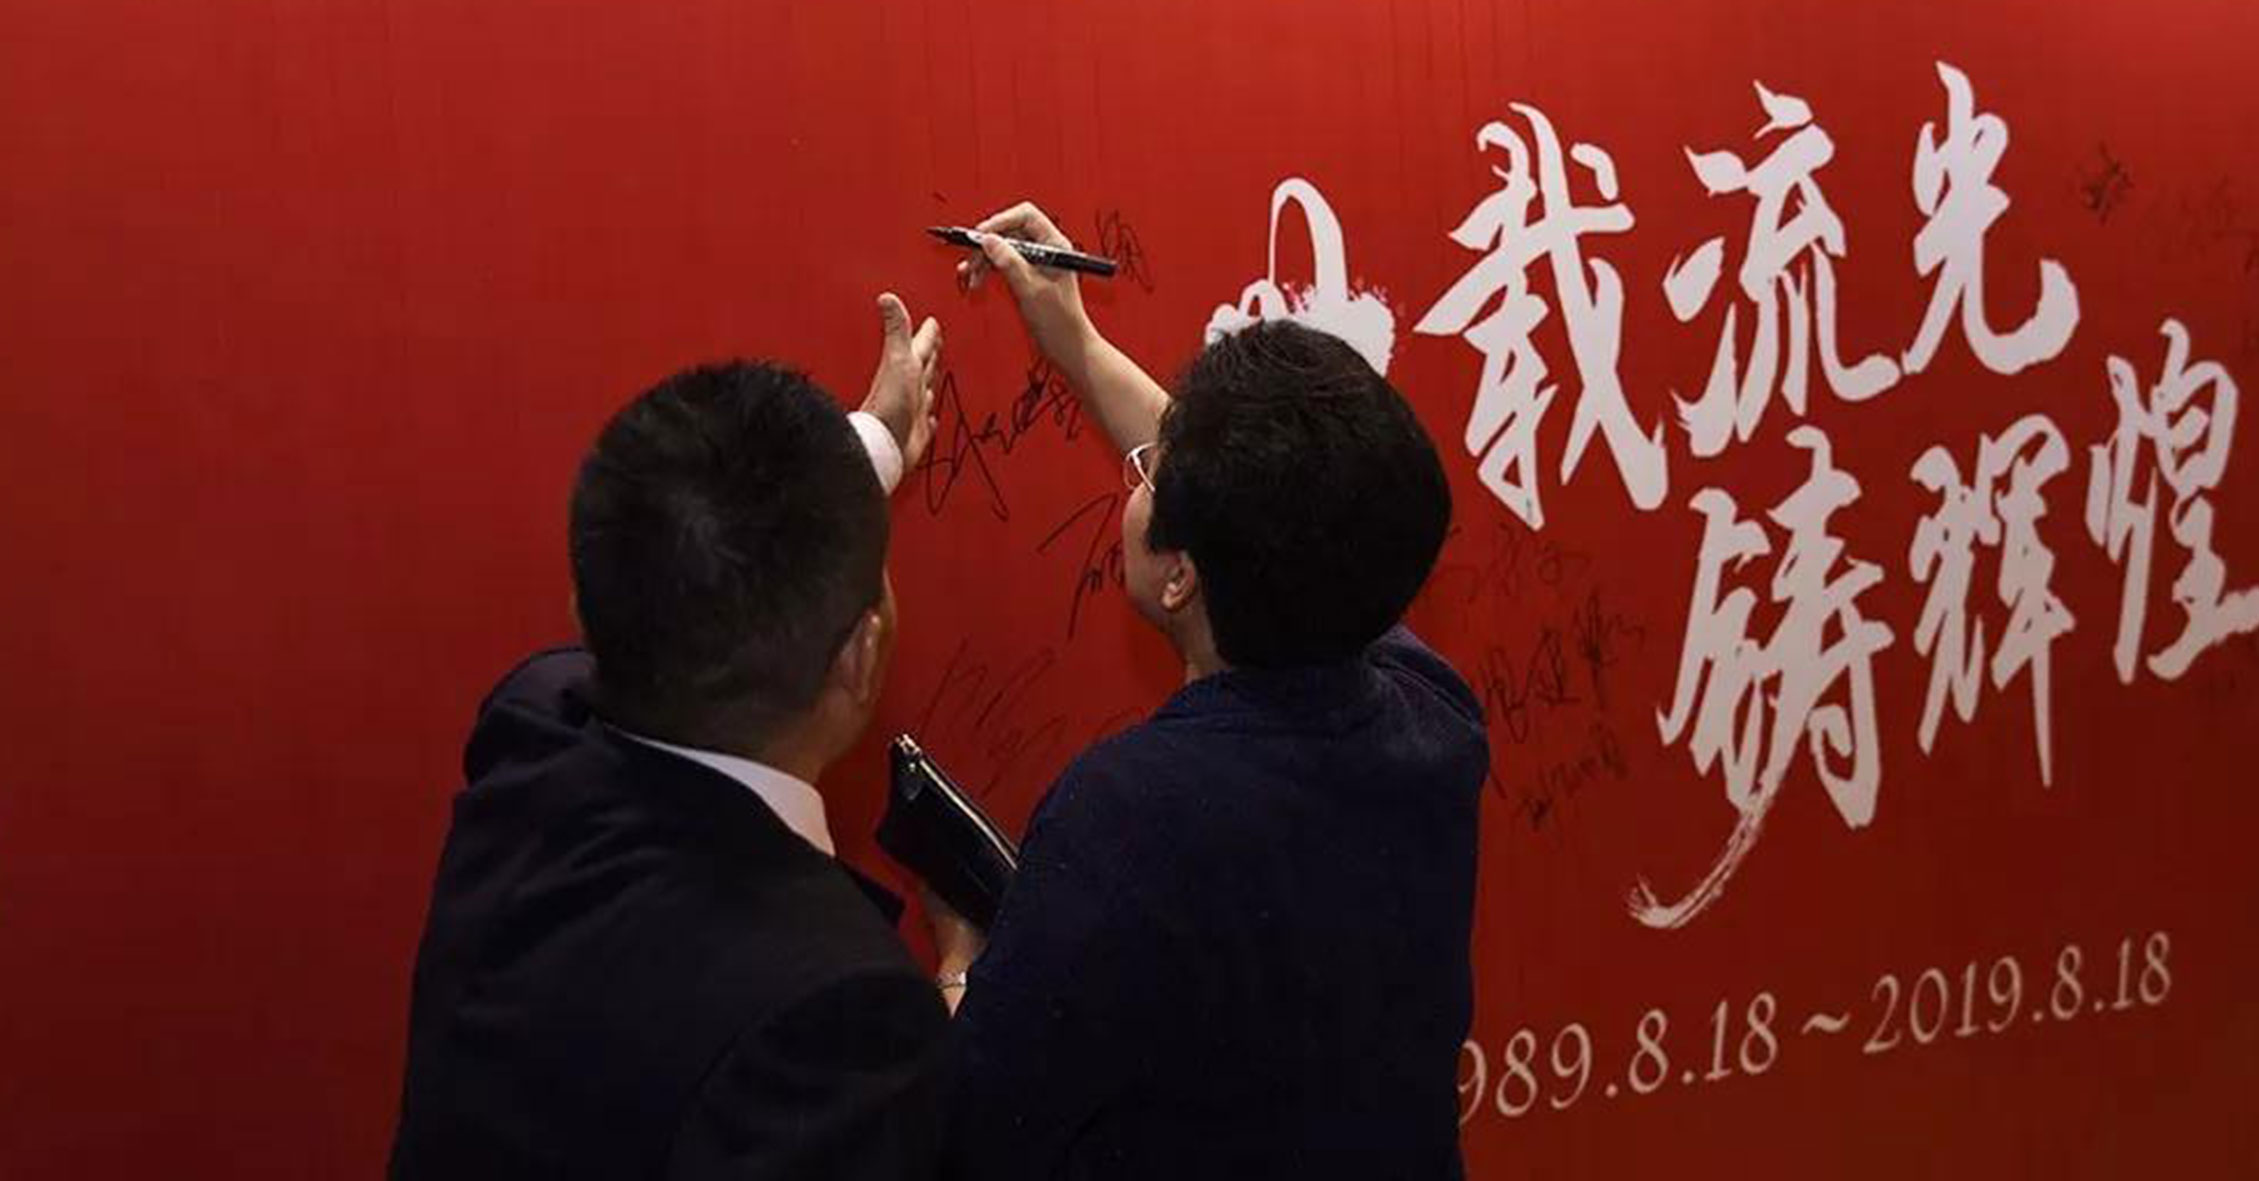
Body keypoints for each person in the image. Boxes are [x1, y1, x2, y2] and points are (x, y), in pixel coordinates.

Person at [932, 204, 1490, 1179]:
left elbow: (977, 1126)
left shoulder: (1128, 812)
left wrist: (959, 972)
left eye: (1152, 475)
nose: (1139, 477)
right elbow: (1291, 513)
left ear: (1181, 576)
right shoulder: (1432, 718)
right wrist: (1079, 345)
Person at [389, 295, 954, 1179]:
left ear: (586, 610)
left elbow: (650, 584)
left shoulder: (529, 737)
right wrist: (962, 988)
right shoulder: (842, 1019)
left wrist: (869, 448)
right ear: (860, 657)